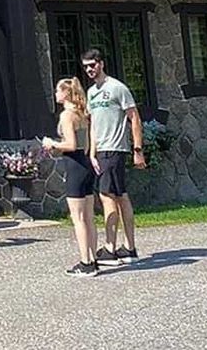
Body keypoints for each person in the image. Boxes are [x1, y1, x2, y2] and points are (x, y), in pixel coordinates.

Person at [82, 48, 146, 264]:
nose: (89, 70)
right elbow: (92, 124)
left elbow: (134, 118)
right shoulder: (91, 92)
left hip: (115, 148)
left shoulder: (117, 88)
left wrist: (138, 149)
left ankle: (110, 248)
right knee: (120, 195)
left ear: (101, 64)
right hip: (101, 150)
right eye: (86, 67)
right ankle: (129, 248)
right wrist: (92, 152)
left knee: (107, 195)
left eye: (92, 65)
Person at [42, 77, 99, 276]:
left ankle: (86, 263)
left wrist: (52, 143)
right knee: (89, 216)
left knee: (78, 218)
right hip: (85, 163)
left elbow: (71, 145)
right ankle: (93, 258)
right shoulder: (82, 113)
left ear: (66, 93)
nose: (56, 94)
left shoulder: (67, 115)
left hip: (75, 165)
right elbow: (87, 141)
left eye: (58, 90)